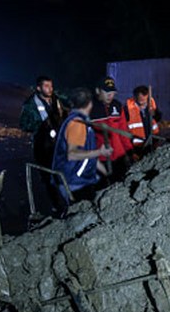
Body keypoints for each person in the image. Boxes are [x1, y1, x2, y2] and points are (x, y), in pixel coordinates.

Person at [51, 87, 112, 207]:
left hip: (80, 178)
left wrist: (107, 173)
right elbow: (72, 154)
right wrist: (100, 152)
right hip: (73, 181)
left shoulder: (81, 122)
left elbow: (88, 155)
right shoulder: (76, 124)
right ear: (90, 104)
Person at [19, 75, 68, 215]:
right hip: (43, 147)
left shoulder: (56, 99)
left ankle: (69, 200)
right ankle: (58, 206)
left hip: (59, 143)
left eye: (51, 86)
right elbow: (23, 125)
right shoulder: (30, 104)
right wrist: (41, 127)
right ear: (38, 88)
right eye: (46, 86)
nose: (50, 89)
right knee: (49, 177)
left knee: (65, 171)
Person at [90, 76, 132, 182]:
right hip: (100, 158)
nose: (110, 95)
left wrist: (129, 151)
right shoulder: (89, 108)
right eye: (106, 92)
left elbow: (123, 131)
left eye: (112, 92)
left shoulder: (117, 106)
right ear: (97, 91)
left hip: (119, 156)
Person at [125, 85, 162, 159]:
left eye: (144, 97)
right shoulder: (128, 108)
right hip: (137, 145)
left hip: (151, 141)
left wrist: (154, 113)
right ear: (135, 97)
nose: (143, 99)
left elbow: (158, 118)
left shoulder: (151, 104)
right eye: (140, 98)